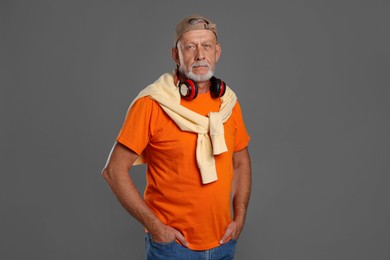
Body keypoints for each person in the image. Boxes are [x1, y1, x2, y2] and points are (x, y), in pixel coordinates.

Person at [102, 14, 252, 259]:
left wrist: (240, 217)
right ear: (176, 55)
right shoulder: (152, 103)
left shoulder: (228, 103)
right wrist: (156, 229)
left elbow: (241, 160)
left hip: (224, 243)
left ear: (218, 52)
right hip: (172, 248)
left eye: (206, 46)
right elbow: (113, 172)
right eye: (190, 47)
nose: (200, 55)